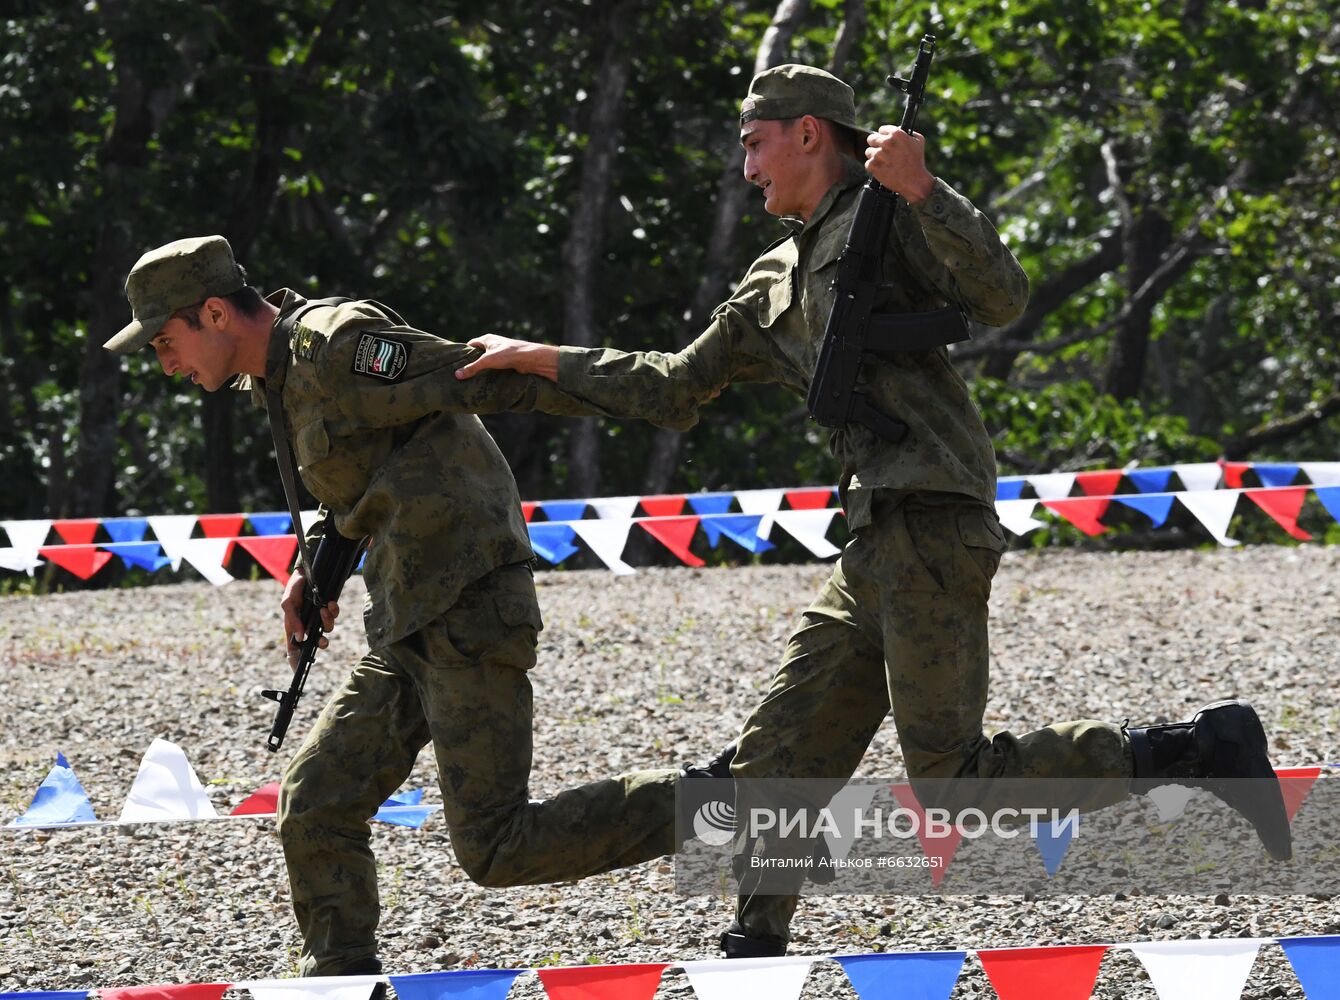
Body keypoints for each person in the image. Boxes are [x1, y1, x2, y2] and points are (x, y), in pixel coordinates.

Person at [452, 64, 1293, 956]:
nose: (746, 170)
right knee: (775, 760)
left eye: (753, 144)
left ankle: (1197, 746)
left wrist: (927, 191)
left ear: (808, 133)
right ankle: (758, 941)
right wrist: (543, 358)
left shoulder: (891, 216)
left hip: (932, 517)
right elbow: (672, 387)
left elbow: (1002, 298)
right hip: (872, 539)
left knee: (952, 785)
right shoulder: (772, 274)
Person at [103, 235, 732, 976]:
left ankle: (738, 806)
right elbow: (368, 473)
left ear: (214, 312)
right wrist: (316, 567)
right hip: (406, 616)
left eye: (166, 342)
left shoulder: (336, 347)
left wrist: (639, 384)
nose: (165, 363)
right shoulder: (276, 376)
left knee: (497, 847)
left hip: (466, 605)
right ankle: (341, 983)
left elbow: (484, 380)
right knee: (315, 803)